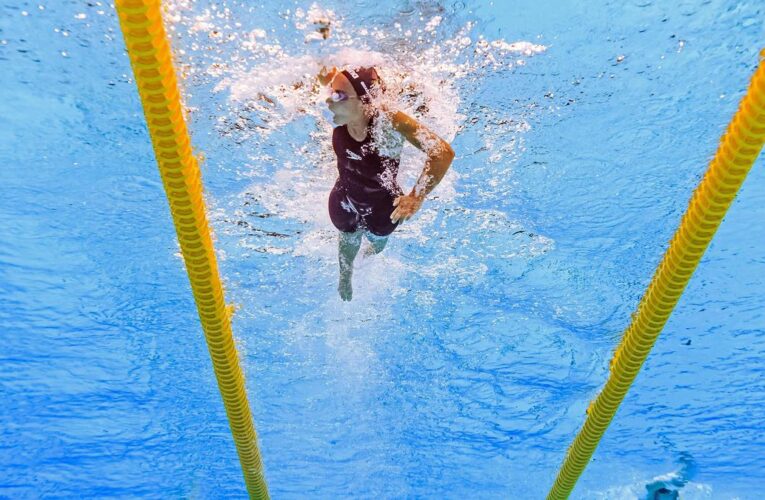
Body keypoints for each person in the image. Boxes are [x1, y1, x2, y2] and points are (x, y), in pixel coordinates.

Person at [318, 65, 455, 300]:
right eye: (331, 92)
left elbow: (442, 152)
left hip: (382, 209)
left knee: (377, 242)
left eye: (338, 95)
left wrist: (416, 196)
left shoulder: (387, 122)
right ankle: (345, 274)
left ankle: (368, 257)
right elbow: (324, 71)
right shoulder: (342, 113)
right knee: (347, 236)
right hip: (345, 197)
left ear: (364, 101)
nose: (329, 101)